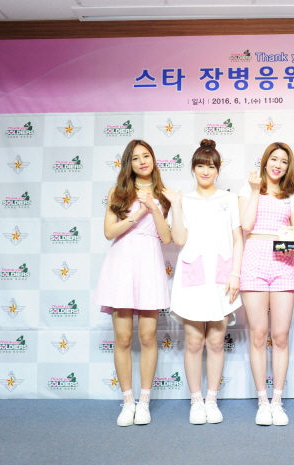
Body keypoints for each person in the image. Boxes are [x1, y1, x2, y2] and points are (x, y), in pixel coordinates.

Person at [164, 139, 243, 425]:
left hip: (222, 278)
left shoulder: (229, 200)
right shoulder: (184, 200)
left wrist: (235, 273)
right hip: (192, 277)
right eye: (200, 166)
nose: (205, 171)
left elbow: (238, 239)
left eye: (210, 166)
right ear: (193, 169)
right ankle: (196, 401)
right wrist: (175, 206)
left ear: (218, 169)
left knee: (216, 342)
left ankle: (212, 400)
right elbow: (179, 239)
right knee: (194, 341)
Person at [94, 139, 172, 426]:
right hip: (121, 263)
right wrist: (138, 213)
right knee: (124, 338)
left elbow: (167, 238)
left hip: (150, 262)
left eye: (146, 155)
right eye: (136, 157)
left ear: (153, 159)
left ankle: (144, 402)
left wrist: (153, 207)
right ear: (129, 163)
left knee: (148, 337)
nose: (142, 161)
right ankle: (128, 402)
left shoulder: (164, 194)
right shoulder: (118, 192)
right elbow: (109, 232)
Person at [238, 142, 294, 426]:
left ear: (289, 167)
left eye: (284, 161)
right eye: (274, 159)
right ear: (265, 161)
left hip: (283, 266)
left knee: (281, 336)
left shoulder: (292, 197)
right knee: (258, 334)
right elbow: (246, 226)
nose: (278, 165)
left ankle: (277, 401)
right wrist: (254, 190)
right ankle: (262, 402)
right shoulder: (248, 190)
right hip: (253, 262)